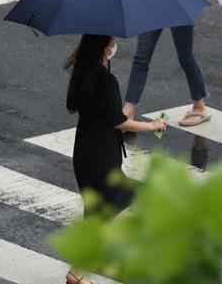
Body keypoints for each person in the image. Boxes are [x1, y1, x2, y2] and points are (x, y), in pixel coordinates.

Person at [64, 34, 167, 284]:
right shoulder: (106, 80)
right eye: (110, 42)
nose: (113, 46)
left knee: (97, 212)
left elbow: (73, 105)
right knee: (127, 203)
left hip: (84, 151)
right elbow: (118, 121)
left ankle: (78, 273)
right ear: (103, 47)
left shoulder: (82, 72)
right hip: (102, 154)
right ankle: (80, 270)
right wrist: (152, 125)